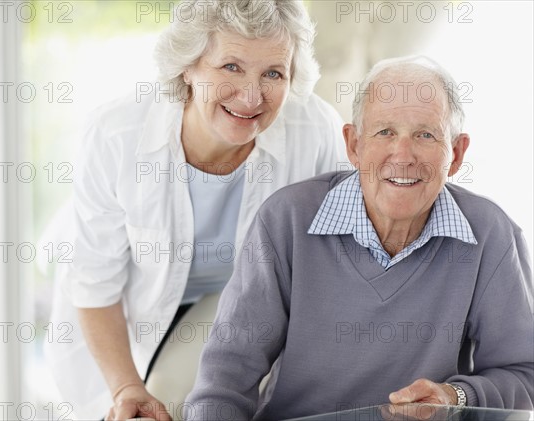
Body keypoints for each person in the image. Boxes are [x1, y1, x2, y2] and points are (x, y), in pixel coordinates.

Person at [184, 56, 534, 420]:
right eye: (384, 132)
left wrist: (456, 395)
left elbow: (525, 374)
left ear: (457, 153)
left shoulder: (491, 235)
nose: (403, 155)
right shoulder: (286, 220)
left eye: (425, 135)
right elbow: (225, 379)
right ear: (353, 145)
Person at [44, 1, 347, 420]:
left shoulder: (315, 130)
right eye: (231, 67)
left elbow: (335, 258)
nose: (251, 96)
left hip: (238, 311)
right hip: (119, 321)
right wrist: (126, 386)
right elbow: (95, 285)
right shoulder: (117, 134)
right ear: (187, 66)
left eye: (273, 73)